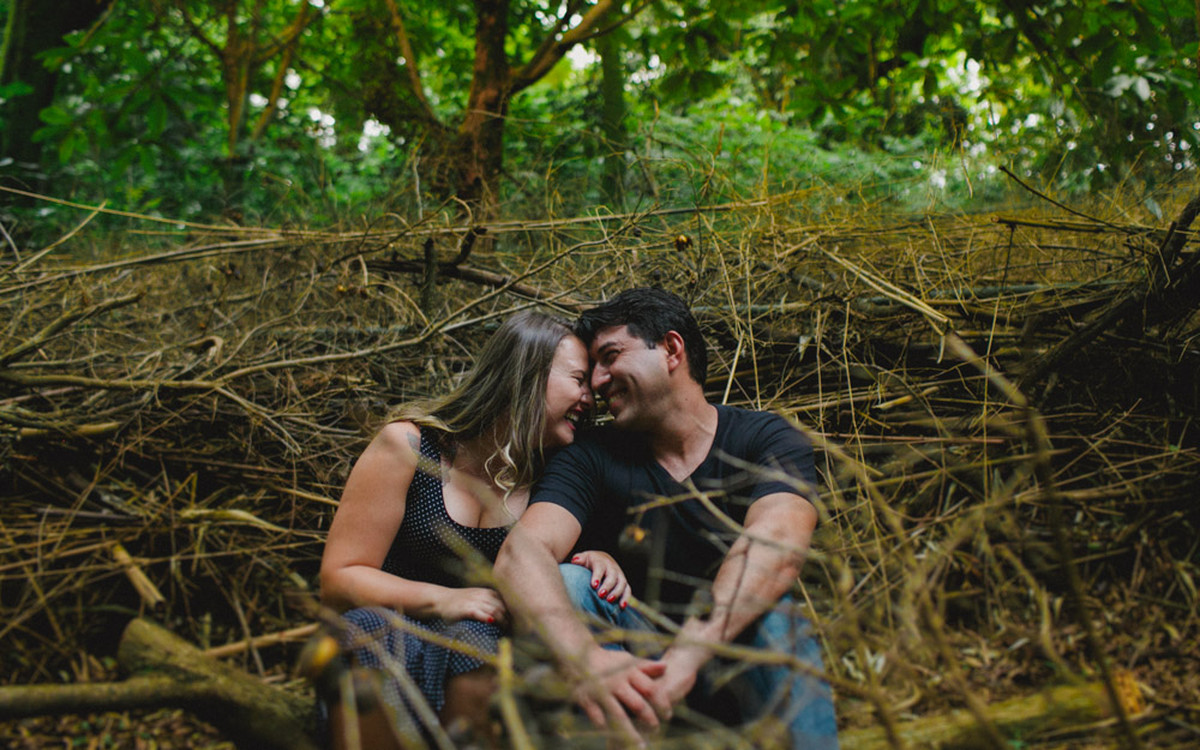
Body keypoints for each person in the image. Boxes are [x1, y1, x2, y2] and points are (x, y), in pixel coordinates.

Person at [494, 288, 839, 748]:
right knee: (571, 584)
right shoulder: (590, 457)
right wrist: (586, 660)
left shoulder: (766, 439)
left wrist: (685, 660)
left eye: (610, 356)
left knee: (779, 619)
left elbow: (775, 545)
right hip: (632, 681)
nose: (596, 382)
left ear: (672, 350)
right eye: (592, 367)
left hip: (731, 664)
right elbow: (522, 553)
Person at [318, 310, 628, 746]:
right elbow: (339, 577)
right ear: (527, 373)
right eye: (578, 380)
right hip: (390, 623)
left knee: (485, 650)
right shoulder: (409, 447)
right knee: (369, 633)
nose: (589, 398)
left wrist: (599, 556)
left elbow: (552, 567)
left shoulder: (559, 474)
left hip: (486, 647)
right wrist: (443, 598)